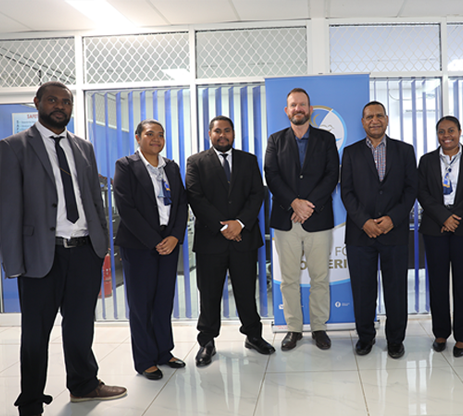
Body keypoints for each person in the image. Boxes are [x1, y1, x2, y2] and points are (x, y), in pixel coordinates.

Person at [0, 81, 126, 415]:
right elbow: (9, 209)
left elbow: (94, 202)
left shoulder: (83, 147)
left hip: (85, 250)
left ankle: (84, 384)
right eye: (53, 100)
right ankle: (30, 401)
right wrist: (13, 263)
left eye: (66, 102)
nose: (60, 106)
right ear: (37, 102)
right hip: (42, 254)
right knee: (35, 333)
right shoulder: (13, 147)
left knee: (82, 324)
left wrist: (101, 246)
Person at [187, 115, 275, 366]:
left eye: (227, 130)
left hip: (243, 238)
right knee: (210, 294)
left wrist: (240, 223)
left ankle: (253, 336)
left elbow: (257, 193)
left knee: (247, 291)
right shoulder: (196, 162)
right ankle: (207, 342)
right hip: (211, 240)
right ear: (209, 134)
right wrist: (223, 226)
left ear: (233, 134)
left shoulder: (249, 160)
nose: (222, 135)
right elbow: (196, 197)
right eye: (217, 131)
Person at [340, 101, 417, 358]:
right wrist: (365, 221)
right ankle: (365, 337)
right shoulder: (350, 153)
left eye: (379, 115)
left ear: (387, 119)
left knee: (396, 290)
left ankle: (396, 340)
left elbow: (410, 190)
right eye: (369, 116)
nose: (375, 120)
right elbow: (347, 192)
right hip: (360, 233)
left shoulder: (405, 151)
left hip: (394, 232)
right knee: (363, 290)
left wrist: (392, 219)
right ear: (362, 122)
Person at [264, 88, 339, 351]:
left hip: (317, 219)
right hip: (287, 220)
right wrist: (293, 203)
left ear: (310, 109)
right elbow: (271, 175)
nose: (298, 109)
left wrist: (309, 206)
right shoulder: (275, 140)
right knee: (289, 279)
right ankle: (293, 328)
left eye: (303, 105)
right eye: (293, 105)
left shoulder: (326, 140)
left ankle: (319, 327)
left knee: (320, 277)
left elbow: (332, 175)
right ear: (287, 111)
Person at [113, 119, 188, 380]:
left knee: (163, 301)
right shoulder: (126, 166)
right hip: (139, 245)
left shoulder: (172, 167)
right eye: (149, 134)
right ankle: (145, 359)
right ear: (138, 137)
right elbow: (126, 208)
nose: (156, 139)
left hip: (169, 242)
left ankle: (164, 352)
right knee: (141, 304)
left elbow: (181, 205)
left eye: (160, 135)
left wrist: (175, 237)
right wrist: (155, 240)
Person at [418, 115, 463, 357]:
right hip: (435, 229)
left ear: (460, 132)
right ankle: (441, 333)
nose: (446, 135)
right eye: (442, 131)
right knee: (437, 283)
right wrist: (443, 217)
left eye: (451, 130)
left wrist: (454, 218)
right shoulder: (426, 161)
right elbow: (422, 192)